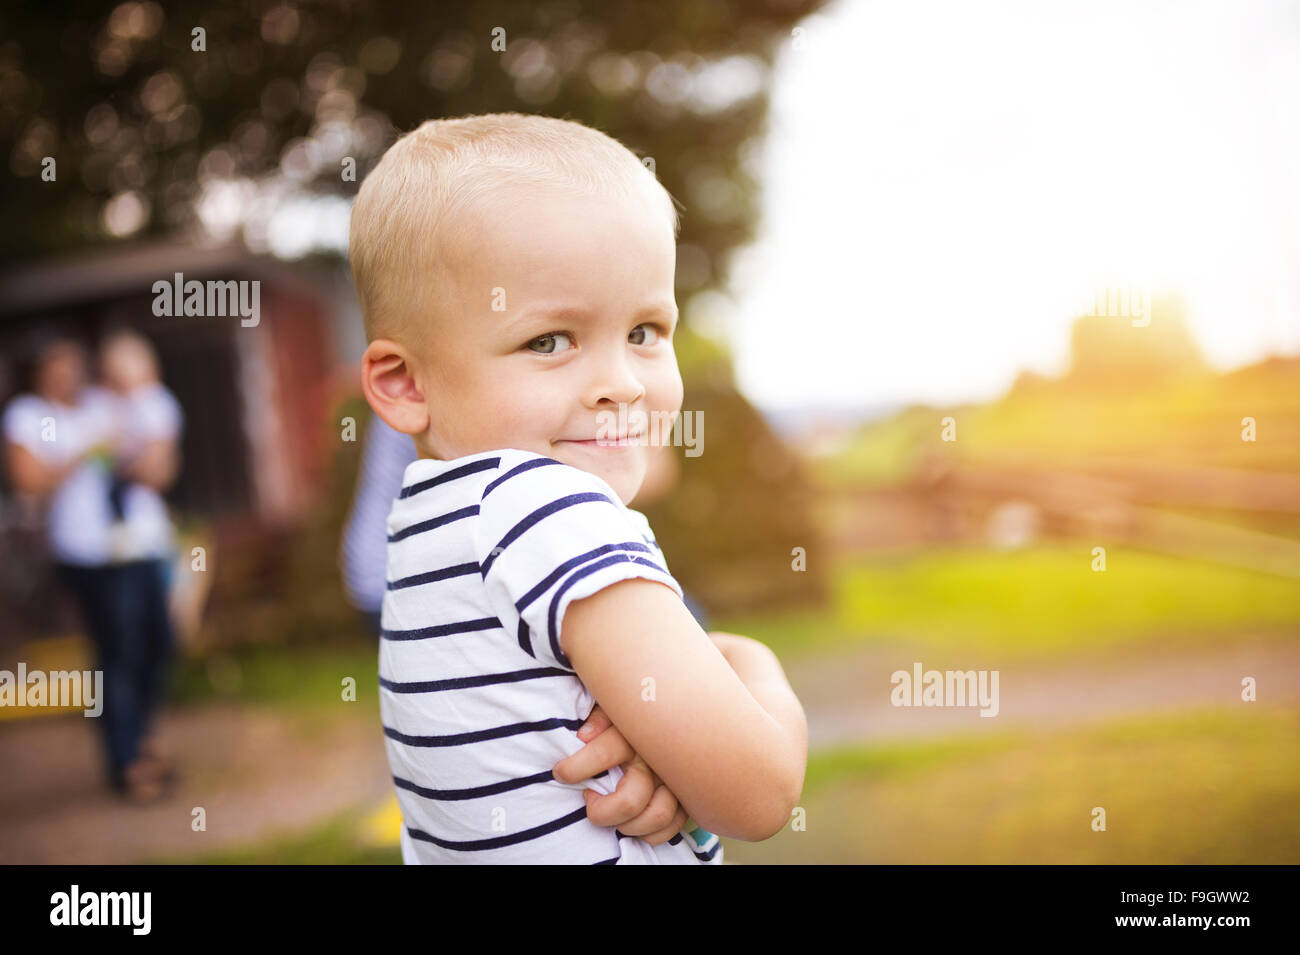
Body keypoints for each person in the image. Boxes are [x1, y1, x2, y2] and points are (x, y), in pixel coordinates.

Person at [349, 112, 807, 864]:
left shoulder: (426, 523)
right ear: (405, 382)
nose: (621, 384)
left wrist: (657, 745)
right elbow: (758, 793)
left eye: (644, 332)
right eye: (549, 340)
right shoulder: (548, 510)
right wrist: (752, 663)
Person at [2, 328, 183, 802]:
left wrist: (146, 456)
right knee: (118, 651)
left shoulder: (104, 405)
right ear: (38, 372)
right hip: (88, 553)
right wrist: (82, 453)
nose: (68, 373)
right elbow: (29, 481)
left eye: (72, 361)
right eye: (56, 364)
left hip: (141, 544)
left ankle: (140, 736)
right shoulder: (28, 417)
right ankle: (129, 761)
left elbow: (158, 453)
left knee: (160, 641)